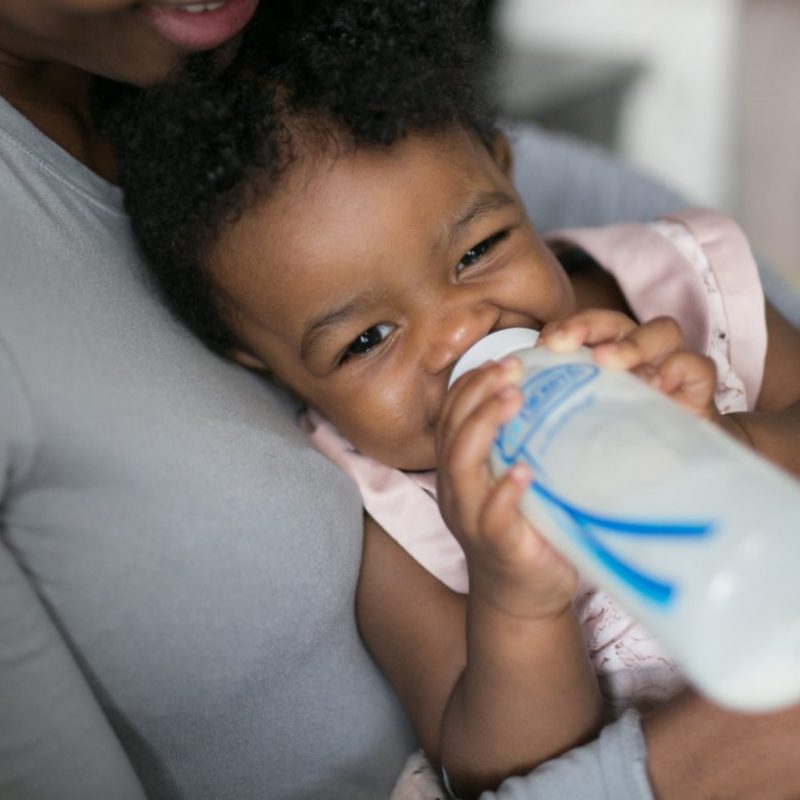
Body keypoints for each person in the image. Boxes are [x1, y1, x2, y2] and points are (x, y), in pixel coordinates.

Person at [3, 0, 800, 798]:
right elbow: (496, 769)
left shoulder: (685, 292)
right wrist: (518, 602)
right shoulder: (389, 514)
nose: (458, 336)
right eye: (365, 342)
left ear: (505, 171)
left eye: (480, 251)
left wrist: (737, 444)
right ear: (267, 366)